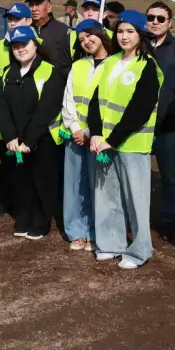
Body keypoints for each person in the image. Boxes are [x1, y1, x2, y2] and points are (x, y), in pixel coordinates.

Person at [87, 10, 163, 269]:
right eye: (120, 31)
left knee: (136, 198)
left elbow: (139, 109)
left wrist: (113, 139)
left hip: (131, 143)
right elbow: (96, 101)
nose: (124, 36)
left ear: (141, 34)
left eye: (130, 31)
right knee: (106, 194)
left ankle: (140, 249)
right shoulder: (110, 62)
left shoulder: (148, 66)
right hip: (105, 142)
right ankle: (110, 243)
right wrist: (96, 133)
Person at [0, 25, 65, 240]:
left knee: (42, 180)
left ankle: (40, 221)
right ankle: (23, 217)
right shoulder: (8, 73)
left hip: (42, 139)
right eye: (15, 46)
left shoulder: (50, 71)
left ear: (36, 45)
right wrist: (10, 136)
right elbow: (2, 106)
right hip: (16, 140)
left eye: (24, 44)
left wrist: (30, 139)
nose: (20, 49)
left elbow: (47, 108)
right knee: (21, 179)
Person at [60, 19, 110, 251]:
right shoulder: (78, 65)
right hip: (75, 134)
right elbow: (68, 99)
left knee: (97, 185)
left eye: (90, 35)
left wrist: (91, 133)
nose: (86, 41)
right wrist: (76, 129)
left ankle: (95, 231)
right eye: (81, 39)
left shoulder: (115, 65)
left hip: (99, 138)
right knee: (74, 185)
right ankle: (76, 230)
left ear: (101, 34)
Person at [146, 1, 175, 241]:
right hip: (139, 126)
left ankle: (169, 219)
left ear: (170, 23)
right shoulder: (138, 44)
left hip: (169, 126)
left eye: (160, 18)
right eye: (151, 17)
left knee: (170, 177)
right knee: (139, 174)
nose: (155, 22)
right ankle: (139, 216)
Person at [0, 1, 36, 218]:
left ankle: (26, 202)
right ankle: (5, 200)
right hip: (6, 112)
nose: (12, 23)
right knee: (7, 160)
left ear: (29, 21)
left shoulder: (36, 44)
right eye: (9, 19)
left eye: (17, 19)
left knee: (30, 163)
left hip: (28, 114)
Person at [27, 0, 72, 72]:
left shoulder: (63, 30)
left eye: (38, 4)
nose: (34, 9)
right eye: (31, 5)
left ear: (49, 7)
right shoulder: (25, 30)